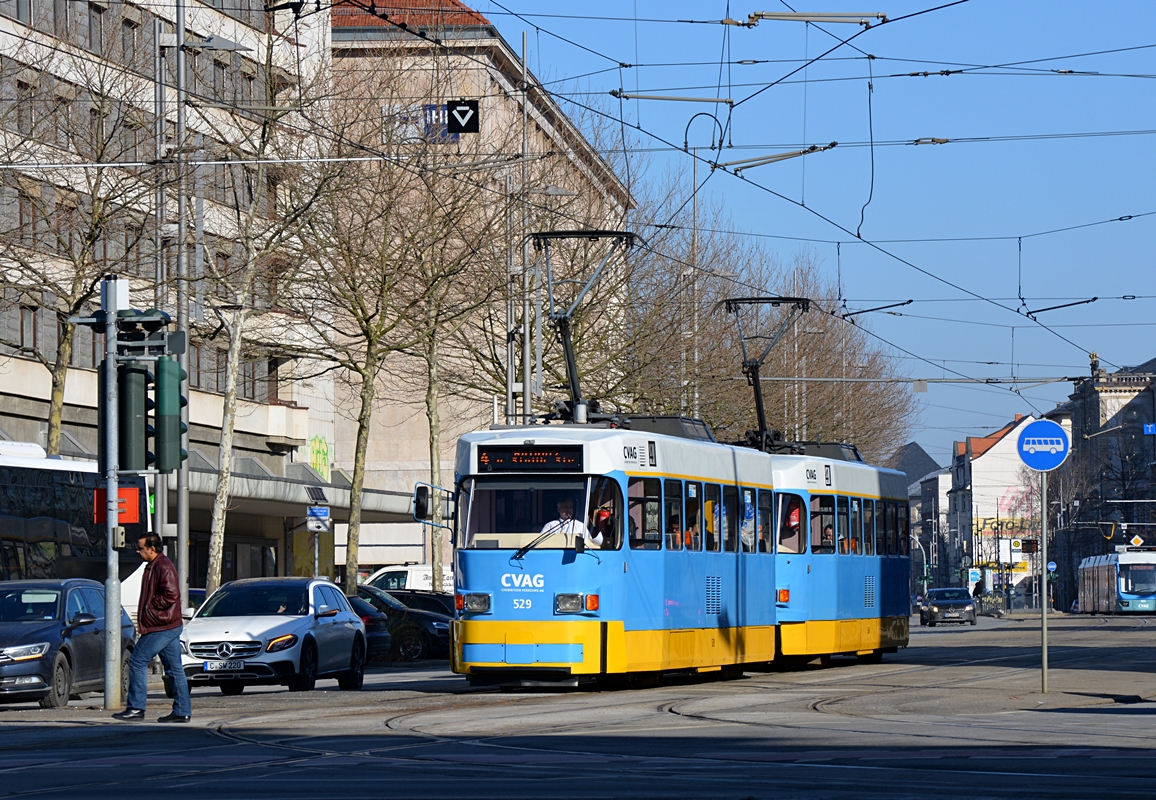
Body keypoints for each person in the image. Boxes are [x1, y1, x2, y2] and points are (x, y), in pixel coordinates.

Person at [113, 534, 191, 723]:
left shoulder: (163, 566)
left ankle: (136, 708)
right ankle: (182, 711)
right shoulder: (155, 565)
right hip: (167, 624)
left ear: (152, 549)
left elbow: (171, 594)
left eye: (140, 548)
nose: (138, 552)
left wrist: (151, 607)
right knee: (174, 669)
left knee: (138, 660)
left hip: (162, 626)